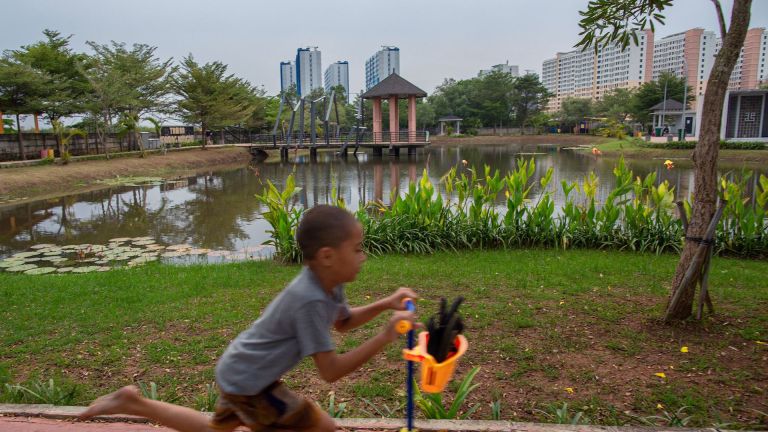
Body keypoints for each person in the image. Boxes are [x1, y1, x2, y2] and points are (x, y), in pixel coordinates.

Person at [78, 205, 419, 432]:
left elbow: (343, 323)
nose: (364, 255)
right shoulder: (310, 300)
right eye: (358, 248)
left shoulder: (329, 283)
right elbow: (329, 372)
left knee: (216, 429)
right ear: (328, 256)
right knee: (322, 428)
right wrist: (384, 337)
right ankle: (132, 401)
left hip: (242, 368)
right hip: (252, 383)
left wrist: (385, 304)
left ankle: (132, 401)